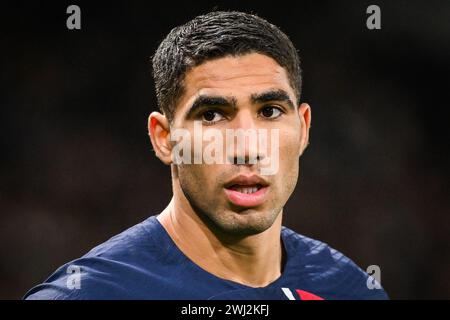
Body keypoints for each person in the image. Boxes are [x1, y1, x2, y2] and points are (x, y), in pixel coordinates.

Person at [24, 11, 388, 300]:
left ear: (304, 128)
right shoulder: (93, 294)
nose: (248, 148)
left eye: (270, 111)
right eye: (212, 115)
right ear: (164, 138)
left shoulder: (349, 289)